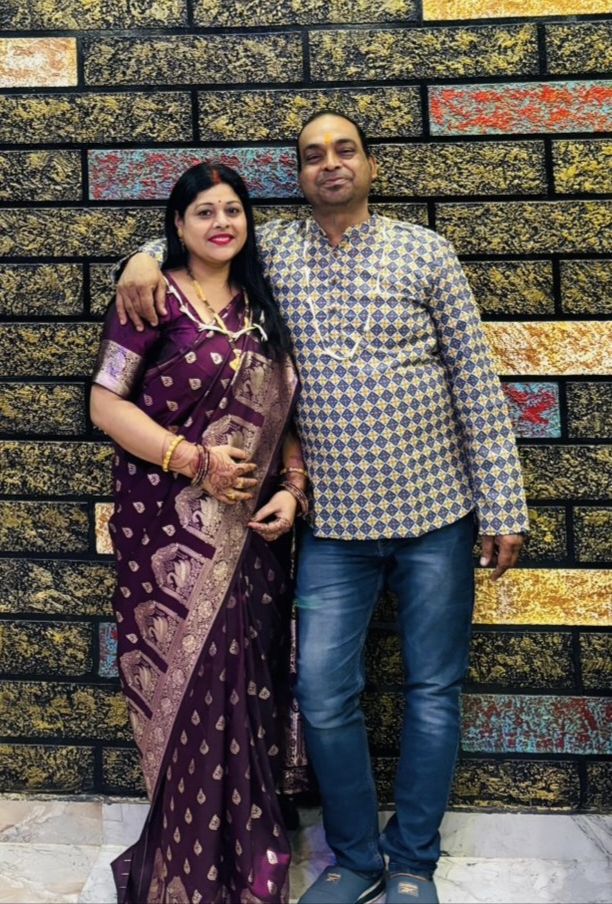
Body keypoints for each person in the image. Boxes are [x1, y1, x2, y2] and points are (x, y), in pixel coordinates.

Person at [113, 112, 529, 904]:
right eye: (312, 156)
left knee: (433, 692)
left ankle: (412, 864)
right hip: (333, 527)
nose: (330, 164)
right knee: (324, 697)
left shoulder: (426, 252)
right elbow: (200, 244)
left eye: (345, 151)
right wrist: (141, 254)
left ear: (370, 165)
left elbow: (477, 385)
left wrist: (502, 506)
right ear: (299, 175)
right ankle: (355, 859)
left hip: (438, 516)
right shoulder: (273, 254)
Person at [91, 161, 309, 904]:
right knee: (188, 690)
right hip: (167, 534)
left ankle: (250, 853)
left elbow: (286, 413)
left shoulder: (262, 305)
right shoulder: (150, 296)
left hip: (252, 536)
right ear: (178, 227)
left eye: (233, 210)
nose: (221, 222)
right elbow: (105, 404)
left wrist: (295, 488)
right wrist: (194, 460)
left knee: (246, 684)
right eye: (204, 212)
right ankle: (186, 868)